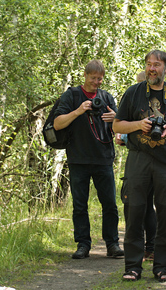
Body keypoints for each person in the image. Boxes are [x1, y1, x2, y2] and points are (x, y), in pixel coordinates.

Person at [113, 50, 166, 282]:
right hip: (138, 159)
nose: (151, 69)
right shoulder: (133, 92)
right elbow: (117, 126)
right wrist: (139, 124)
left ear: (165, 68)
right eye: (149, 64)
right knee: (135, 211)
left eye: (156, 65)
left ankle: (162, 267)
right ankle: (132, 267)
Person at [53, 60, 124, 259]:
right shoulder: (72, 96)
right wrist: (78, 111)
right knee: (80, 205)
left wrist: (115, 119)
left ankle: (112, 244)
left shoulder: (106, 97)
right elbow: (57, 124)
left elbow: (120, 129)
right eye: (93, 78)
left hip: (103, 158)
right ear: (85, 75)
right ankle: (83, 244)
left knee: (109, 203)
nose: (96, 82)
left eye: (100, 79)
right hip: (78, 159)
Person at [116, 70, 157, 262]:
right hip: (153, 162)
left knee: (138, 207)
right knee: (148, 206)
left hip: (141, 162)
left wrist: (123, 134)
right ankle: (151, 248)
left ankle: (145, 248)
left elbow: (123, 137)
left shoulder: (141, 105)